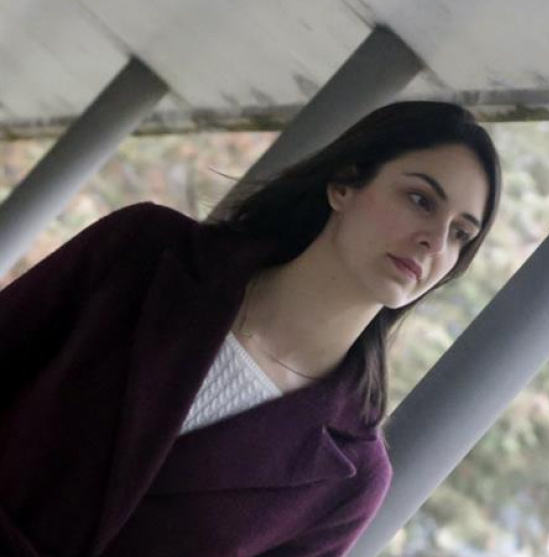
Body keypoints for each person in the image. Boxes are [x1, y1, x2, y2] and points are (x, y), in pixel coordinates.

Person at [0, 101, 502, 556]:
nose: (435, 242)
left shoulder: (352, 481)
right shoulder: (145, 251)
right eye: (420, 200)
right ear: (344, 185)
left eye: (461, 233)